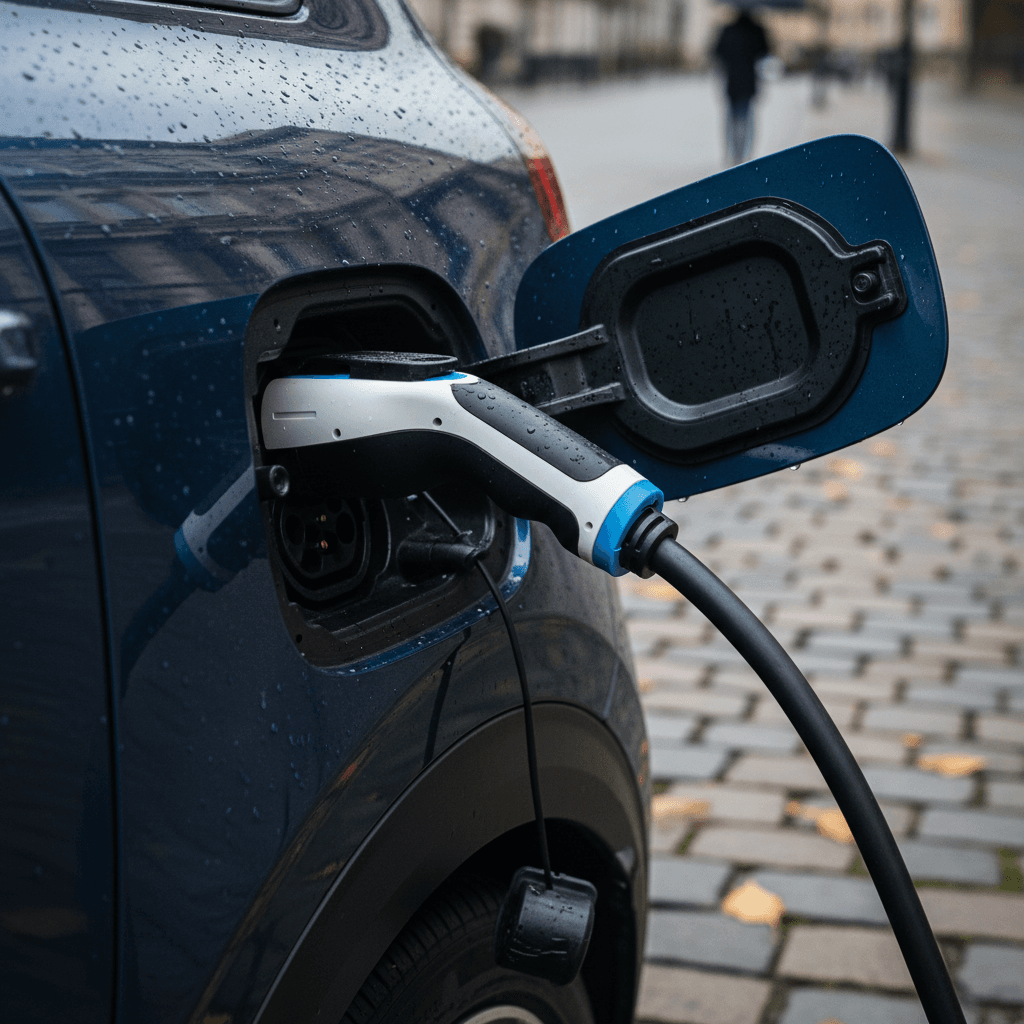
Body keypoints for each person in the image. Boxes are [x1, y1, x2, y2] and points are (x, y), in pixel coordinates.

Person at [713, 8, 770, 165]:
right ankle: (743, 154)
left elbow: (718, 53)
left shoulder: (728, 30)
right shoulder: (757, 31)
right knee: (745, 118)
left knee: (732, 119)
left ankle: (733, 154)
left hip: (732, 82)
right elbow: (765, 53)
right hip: (749, 81)